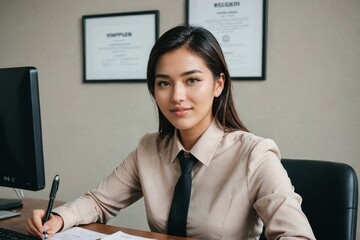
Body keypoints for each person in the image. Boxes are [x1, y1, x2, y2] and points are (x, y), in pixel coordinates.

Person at [27, 25, 315, 240]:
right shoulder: (149, 149)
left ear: (218, 84)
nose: (177, 96)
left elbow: (296, 236)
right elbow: (99, 201)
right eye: (164, 83)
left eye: (192, 80)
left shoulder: (255, 154)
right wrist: (59, 219)